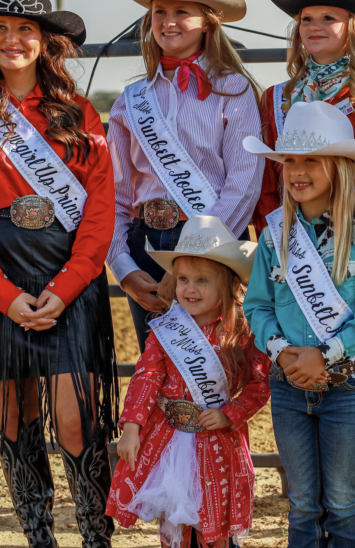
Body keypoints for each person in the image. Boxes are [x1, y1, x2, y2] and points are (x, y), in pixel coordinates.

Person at [0, 0, 118, 548]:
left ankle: (96, 536)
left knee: (75, 420)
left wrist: (64, 289)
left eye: (25, 29)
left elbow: (100, 214)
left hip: (70, 283)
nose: (12, 39)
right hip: (1, 286)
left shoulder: (79, 114)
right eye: (1, 28)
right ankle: (39, 536)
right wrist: (5, 296)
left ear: (45, 41)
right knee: (14, 420)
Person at [254, 0, 355, 545]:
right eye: (305, 18)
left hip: (347, 262)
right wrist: (287, 238)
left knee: (350, 394)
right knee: (297, 387)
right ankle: (315, 512)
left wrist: (337, 244)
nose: (314, 26)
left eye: (328, 17)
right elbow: (271, 185)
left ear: (354, 28)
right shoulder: (278, 97)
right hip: (289, 257)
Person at [243, 101, 355, 548]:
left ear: (341, 167)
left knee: (346, 500)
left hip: (346, 388)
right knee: (304, 502)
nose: (296, 171)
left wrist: (323, 355)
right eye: (289, 160)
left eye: (311, 159)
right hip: (288, 383)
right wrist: (283, 353)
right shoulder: (274, 235)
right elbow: (257, 306)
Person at [108, 0, 264, 352]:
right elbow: (115, 195)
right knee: (155, 366)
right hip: (145, 245)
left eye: (182, 11)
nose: (168, 21)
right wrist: (124, 269)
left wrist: (191, 257)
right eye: (159, 11)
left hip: (214, 241)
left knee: (213, 365)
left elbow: (243, 182)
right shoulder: (132, 100)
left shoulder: (234, 88)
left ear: (209, 21)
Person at [107, 215, 269, 548]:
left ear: (226, 283)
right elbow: (146, 377)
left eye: (202, 281)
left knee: (215, 524)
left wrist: (232, 413)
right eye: (182, 279)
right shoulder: (166, 328)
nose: (190, 289)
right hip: (170, 443)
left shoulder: (243, 332)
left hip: (219, 440)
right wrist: (132, 427)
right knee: (174, 526)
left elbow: (261, 383)